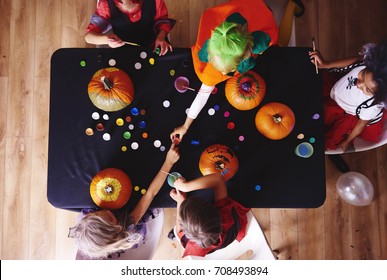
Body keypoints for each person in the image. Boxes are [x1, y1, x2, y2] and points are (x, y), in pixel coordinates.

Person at [170, 0, 304, 144]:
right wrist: (185, 126)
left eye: (227, 70)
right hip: (249, 7)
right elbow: (201, 97)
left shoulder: (261, 42)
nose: (220, 71)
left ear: (245, 58)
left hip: (256, 15)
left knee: (280, 45)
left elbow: (203, 95)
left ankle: (291, 6)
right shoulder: (216, 26)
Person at [68, 143, 180, 259]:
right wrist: (169, 162)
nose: (109, 212)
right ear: (117, 228)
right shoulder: (127, 227)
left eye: (98, 213)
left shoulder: (87, 222)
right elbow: (150, 194)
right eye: (111, 218)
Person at [309, 39, 387, 152]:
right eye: (363, 75)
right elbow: (356, 60)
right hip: (336, 87)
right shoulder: (368, 64)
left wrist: (347, 141)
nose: (358, 84)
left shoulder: (372, 106)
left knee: (322, 132)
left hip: (345, 111)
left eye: (367, 89)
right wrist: (327, 64)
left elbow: (361, 124)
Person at [170, 173, 250, 258]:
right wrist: (186, 187)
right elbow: (218, 179)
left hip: (224, 240)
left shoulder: (186, 241)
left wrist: (180, 201)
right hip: (231, 230)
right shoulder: (225, 216)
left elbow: (179, 229)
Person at [85, 0, 175, 55]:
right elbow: (89, 37)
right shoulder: (106, 4)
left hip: (153, 46)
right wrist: (107, 40)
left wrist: (161, 37)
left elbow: (162, 20)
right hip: (124, 50)